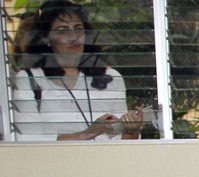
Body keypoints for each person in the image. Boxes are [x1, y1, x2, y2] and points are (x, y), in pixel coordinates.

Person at [12, 0, 144, 141]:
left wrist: (132, 129)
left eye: (78, 28)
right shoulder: (29, 79)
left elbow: (122, 146)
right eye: (63, 30)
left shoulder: (110, 77)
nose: (73, 37)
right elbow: (27, 141)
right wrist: (86, 134)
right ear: (46, 38)